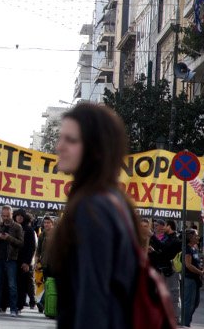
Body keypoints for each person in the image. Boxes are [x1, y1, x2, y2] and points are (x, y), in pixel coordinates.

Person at [48, 102, 139, 329]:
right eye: (61, 138)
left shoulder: (92, 209)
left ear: (96, 149)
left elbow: (92, 299)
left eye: (71, 140)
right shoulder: (112, 201)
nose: (59, 147)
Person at [0, 206, 23, 317]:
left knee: (12, 285)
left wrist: (8, 238)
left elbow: (21, 243)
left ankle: (13, 309)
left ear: (12, 214)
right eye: (3, 216)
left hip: (11, 259)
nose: (5, 218)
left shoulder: (17, 227)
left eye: (7, 216)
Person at [181, 229, 204, 328]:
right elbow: (188, 265)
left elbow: (195, 262)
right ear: (190, 237)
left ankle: (187, 321)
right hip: (189, 279)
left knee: (196, 302)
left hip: (196, 279)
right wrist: (200, 272)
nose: (198, 237)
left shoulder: (194, 248)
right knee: (189, 303)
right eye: (196, 235)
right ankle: (185, 324)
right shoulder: (187, 249)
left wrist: (201, 268)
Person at [15, 210, 37, 311]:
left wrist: (27, 262)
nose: (19, 218)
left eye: (21, 216)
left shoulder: (29, 230)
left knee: (24, 283)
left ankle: (22, 304)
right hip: (13, 260)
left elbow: (32, 247)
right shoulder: (13, 228)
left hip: (24, 261)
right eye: (17, 216)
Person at [35, 215, 54, 313]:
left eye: (48, 223)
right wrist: (36, 261)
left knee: (51, 284)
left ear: (52, 223)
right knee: (47, 284)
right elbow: (38, 250)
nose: (46, 224)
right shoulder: (42, 234)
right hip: (45, 263)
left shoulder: (56, 233)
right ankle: (44, 304)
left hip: (55, 263)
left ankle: (43, 303)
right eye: (45, 223)